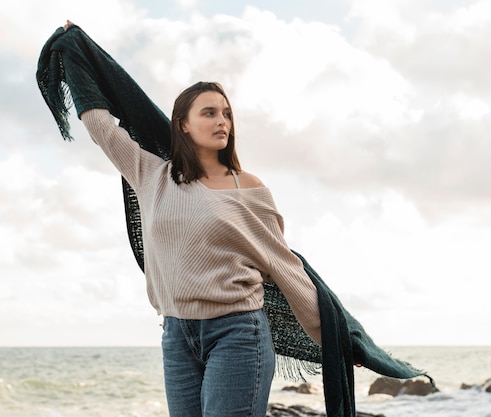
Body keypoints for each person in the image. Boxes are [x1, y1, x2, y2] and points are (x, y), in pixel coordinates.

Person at [61, 21, 322, 417]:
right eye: (210, 113)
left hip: (238, 333)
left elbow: (287, 269)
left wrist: (332, 340)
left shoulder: (248, 189)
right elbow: (100, 126)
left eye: (227, 115)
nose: (223, 122)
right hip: (176, 335)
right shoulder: (151, 175)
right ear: (183, 123)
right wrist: (74, 49)